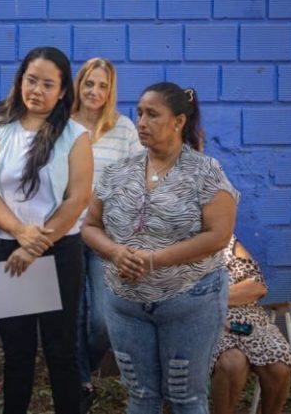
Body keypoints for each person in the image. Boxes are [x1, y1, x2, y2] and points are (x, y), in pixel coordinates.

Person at [82, 82, 239, 414]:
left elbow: (218, 235)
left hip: (189, 303)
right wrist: (114, 252)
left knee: (186, 398)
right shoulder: (117, 171)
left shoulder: (205, 172)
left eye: (152, 114)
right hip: (126, 305)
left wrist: (155, 259)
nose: (141, 122)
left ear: (179, 121)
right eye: (138, 113)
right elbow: (90, 226)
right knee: (141, 396)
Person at [0, 46, 94, 414]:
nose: (36, 90)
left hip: (58, 251)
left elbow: (77, 198)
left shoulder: (76, 135)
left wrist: (34, 245)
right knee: (17, 351)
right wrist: (19, 232)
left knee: (61, 350)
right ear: (20, 79)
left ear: (62, 91)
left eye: (47, 84)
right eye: (31, 80)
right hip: (4, 249)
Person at [70, 58, 143, 411]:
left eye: (102, 86)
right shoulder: (63, 126)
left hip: (105, 236)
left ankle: (89, 363)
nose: (94, 92)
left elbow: (141, 180)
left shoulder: (124, 129)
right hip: (66, 231)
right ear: (78, 85)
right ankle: (81, 382)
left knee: (101, 319)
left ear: (110, 91)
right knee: (73, 312)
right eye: (89, 84)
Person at [211, 236, 291, 414]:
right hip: (210, 321)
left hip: (252, 322)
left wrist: (212, 297)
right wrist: (235, 294)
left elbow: (257, 286)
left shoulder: (229, 245)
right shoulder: (180, 248)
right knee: (232, 363)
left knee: (279, 365)